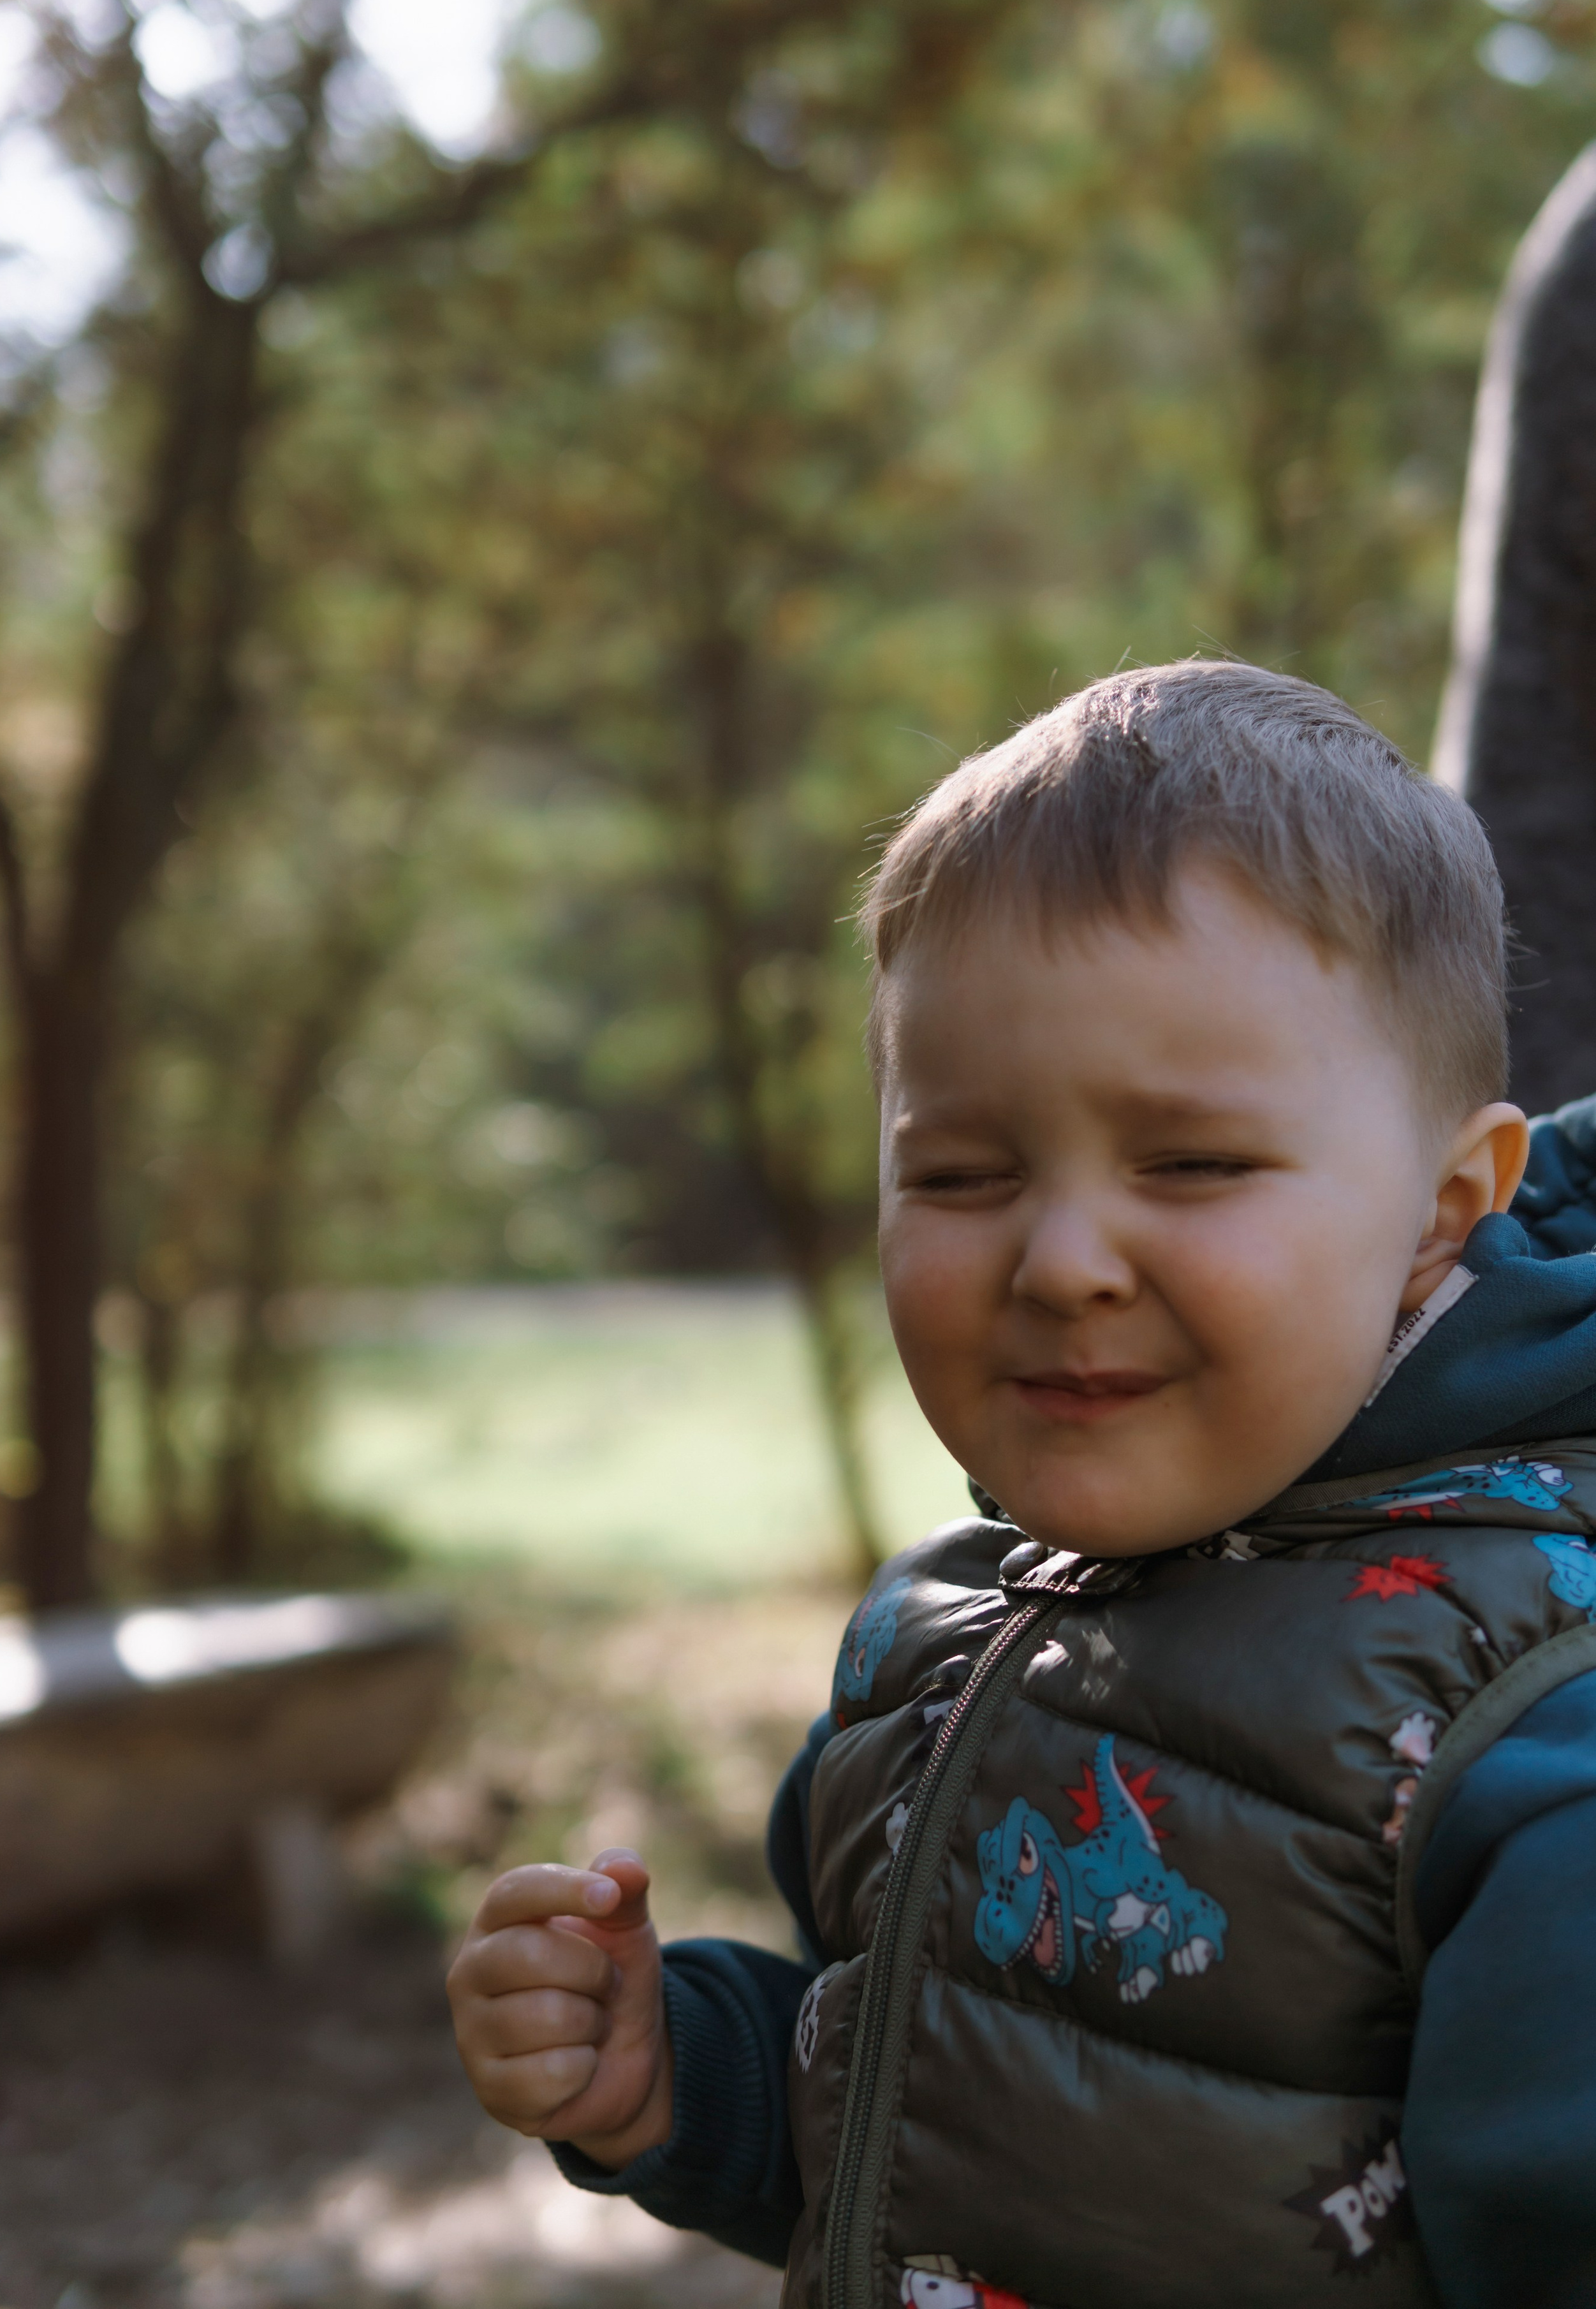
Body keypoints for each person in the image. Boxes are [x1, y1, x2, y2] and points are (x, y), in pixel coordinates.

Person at [447, 662, 1596, 2306]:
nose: (1061, 1260)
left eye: (1190, 1163)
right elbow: (916, 2128)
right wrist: (675, 2077)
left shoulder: (1531, 1732)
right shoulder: (939, 1637)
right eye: (963, 1172)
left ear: (1441, 1208)